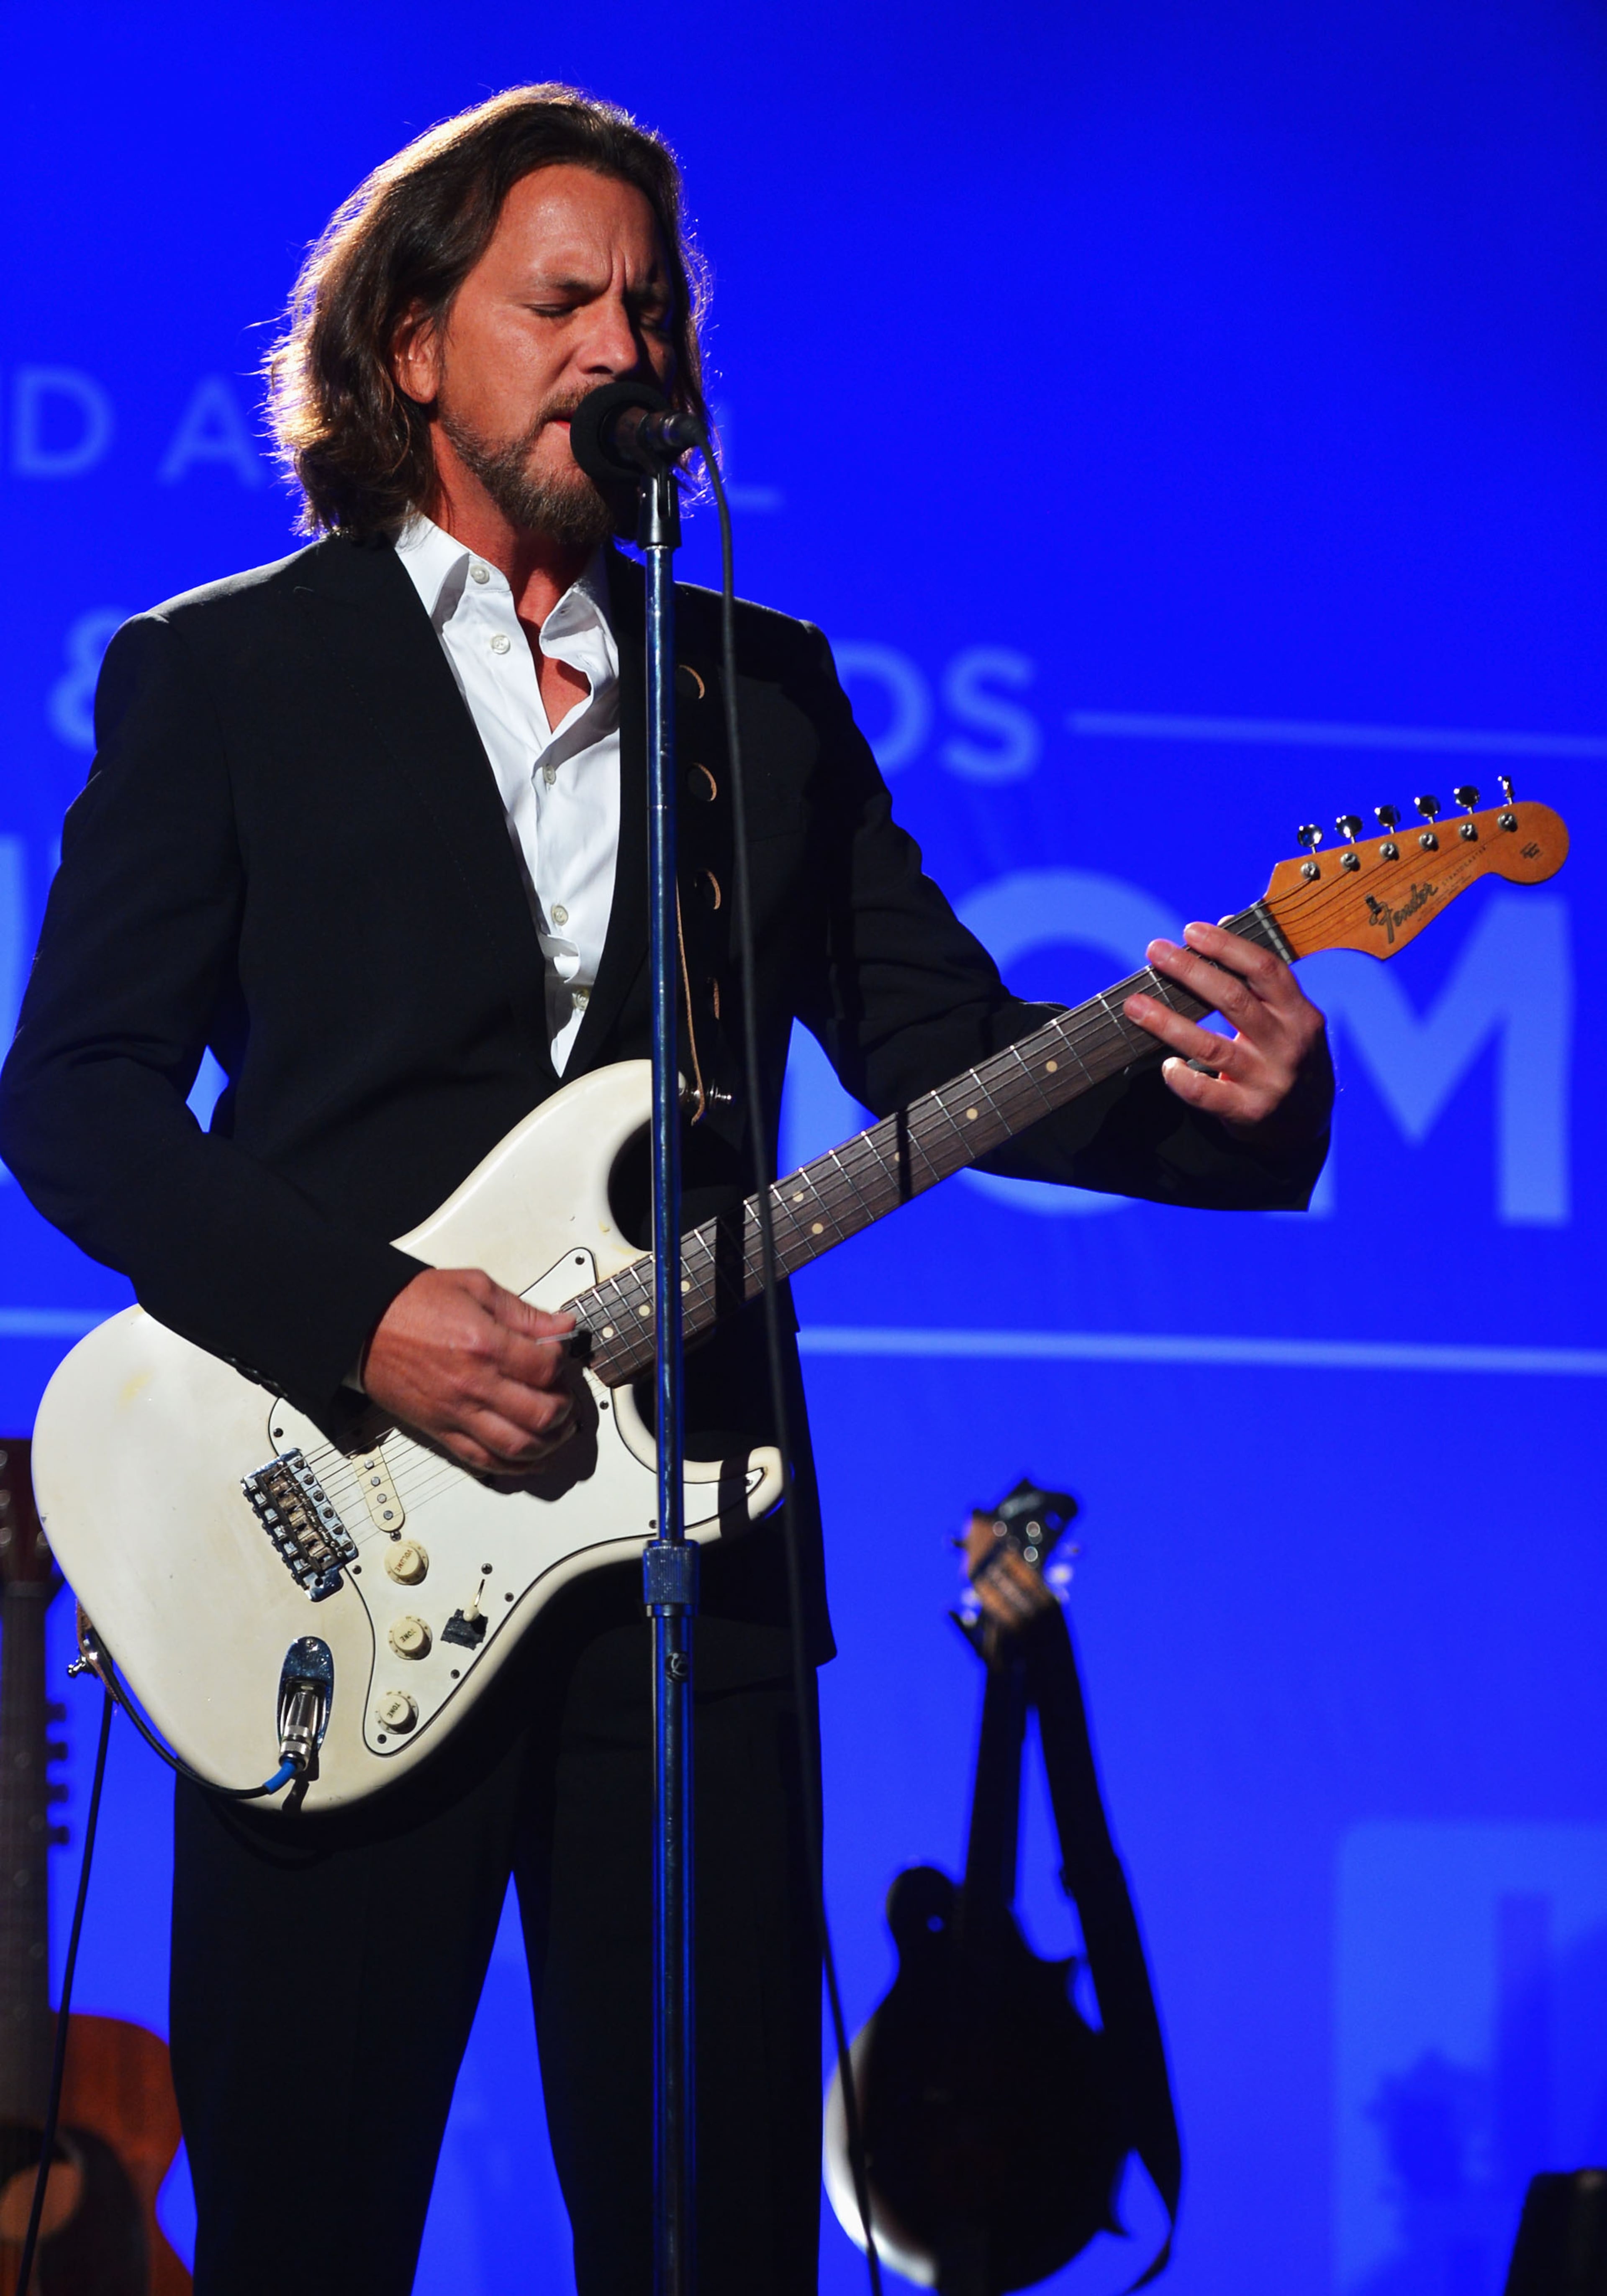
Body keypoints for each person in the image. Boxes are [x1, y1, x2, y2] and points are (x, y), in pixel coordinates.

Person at [0, 83, 1331, 2296]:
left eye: (653, 306)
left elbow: (943, 1061)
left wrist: (1240, 1104)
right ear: (411, 345)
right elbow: (79, 1103)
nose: (626, 345)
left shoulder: (767, 698)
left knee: (716, 2238)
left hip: (690, 1574)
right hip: (331, 1563)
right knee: (304, 2237)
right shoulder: (220, 673)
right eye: (563, 299)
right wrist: (371, 1317)